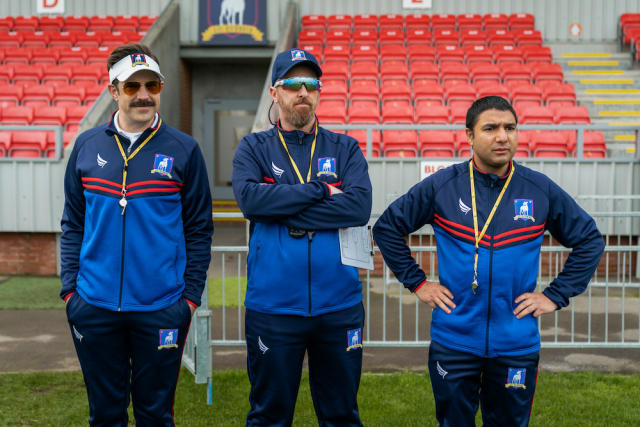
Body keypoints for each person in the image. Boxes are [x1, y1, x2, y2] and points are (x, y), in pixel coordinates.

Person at [372, 96, 604, 426]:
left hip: (516, 342)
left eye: (510, 128)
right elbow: (388, 227)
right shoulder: (443, 186)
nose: (502, 136)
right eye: (490, 128)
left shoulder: (538, 189)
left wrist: (555, 295)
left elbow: (590, 239)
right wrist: (418, 282)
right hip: (454, 339)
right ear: (469, 135)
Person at [60, 43, 214, 426]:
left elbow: (199, 229)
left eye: (152, 85)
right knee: (106, 415)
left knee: (155, 415)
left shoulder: (185, 150)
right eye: (132, 87)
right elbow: (73, 223)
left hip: (161, 306)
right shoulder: (86, 146)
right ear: (113, 90)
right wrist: (70, 292)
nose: (144, 95)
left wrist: (189, 298)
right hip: (93, 306)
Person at [232, 48, 372, 426]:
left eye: (311, 84)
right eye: (293, 84)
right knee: (269, 416)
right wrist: (322, 191)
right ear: (275, 93)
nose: (303, 92)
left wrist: (280, 202)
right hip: (274, 308)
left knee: (341, 415)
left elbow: (358, 208)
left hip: (338, 306)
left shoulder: (344, 148)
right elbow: (251, 201)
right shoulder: (254, 147)